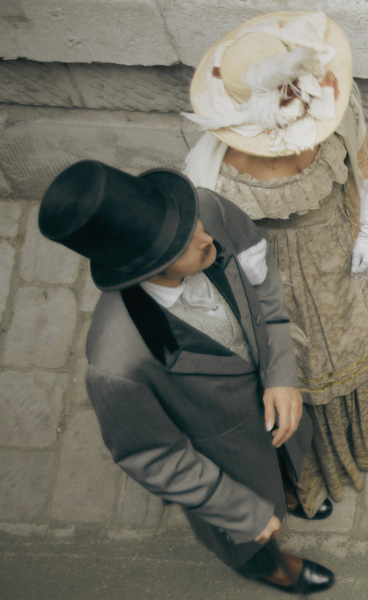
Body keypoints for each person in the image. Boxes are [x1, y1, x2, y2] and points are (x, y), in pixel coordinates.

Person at [181, 11, 368, 513]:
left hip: (346, 220)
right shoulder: (208, 176)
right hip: (282, 272)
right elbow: (217, 252)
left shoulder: (321, 94)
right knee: (316, 363)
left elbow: (360, 152)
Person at [39, 160, 335, 594]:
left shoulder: (209, 210)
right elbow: (156, 457)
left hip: (276, 411)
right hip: (226, 461)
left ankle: (293, 493)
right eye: (181, 244)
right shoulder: (115, 364)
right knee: (256, 539)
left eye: (191, 222)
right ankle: (272, 569)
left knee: (288, 466)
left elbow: (263, 273)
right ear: (144, 269)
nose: (206, 236)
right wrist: (241, 514)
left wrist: (281, 372)